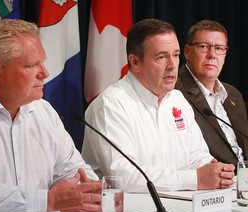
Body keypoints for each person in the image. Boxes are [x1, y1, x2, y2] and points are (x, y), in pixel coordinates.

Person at [0, 19, 102, 212]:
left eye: (42, 62)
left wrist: (86, 193)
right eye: (32, 65)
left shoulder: (43, 111)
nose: (45, 73)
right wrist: (49, 201)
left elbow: (75, 171)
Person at [81, 18, 235, 193]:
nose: (172, 65)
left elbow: (196, 155)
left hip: (182, 205)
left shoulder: (177, 100)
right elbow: (122, 177)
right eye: (161, 57)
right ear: (135, 62)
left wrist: (215, 171)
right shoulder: (111, 105)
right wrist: (196, 179)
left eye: (176, 55)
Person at [175, 20, 248, 169]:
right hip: (212, 183)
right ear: (187, 52)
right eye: (203, 47)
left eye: (219, 48)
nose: (212, 55)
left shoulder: (233, 94)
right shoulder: (175, 93)